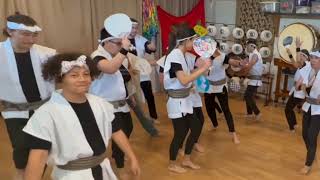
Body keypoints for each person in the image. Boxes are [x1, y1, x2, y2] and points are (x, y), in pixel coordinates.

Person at [23, 53, 140, 180]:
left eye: (86, 74)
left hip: (102, 169)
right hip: (71, 175)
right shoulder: (46, 113)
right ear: (60, 78)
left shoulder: (100, 104)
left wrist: (132, 157)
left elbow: (116, 131)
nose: (82, 79)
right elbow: (38, 157)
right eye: (74, 75)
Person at [0, 13, 56, 180]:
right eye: (25, 34)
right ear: (10, 32)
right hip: (14, 112)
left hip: (44, 109)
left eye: (34, 35)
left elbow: (61, 78)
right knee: (21, 149)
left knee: (43, 148)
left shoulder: (48, 54)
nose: (31, 40)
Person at [163, 23, 212, 173]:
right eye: (193, 40)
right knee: (180, 133)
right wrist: (203, 69)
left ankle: (186, 159)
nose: (194, 44)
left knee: (196, 127)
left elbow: (187, 79)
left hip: (185, 100)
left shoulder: (182, 55)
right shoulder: (174, 56)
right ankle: (172, 163)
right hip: (176, 101)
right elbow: (184, 80)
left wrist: (202, 68)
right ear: (185, 41)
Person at [89, 26, 136, 178]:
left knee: (127, 129)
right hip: (104, 108)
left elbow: (122, 78)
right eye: (118, 43)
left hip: (121, 105)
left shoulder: (115, 55)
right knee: (111, 138)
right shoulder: (97, 56)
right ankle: (120, 168)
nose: (120, 46)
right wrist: (124, 51)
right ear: (106, 42)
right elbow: (109, 68)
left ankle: (117, 157)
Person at [204, 44, 241, 144]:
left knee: (226, 109)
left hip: (221, 86)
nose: (215, 50)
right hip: (209, 87)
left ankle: (233, 134)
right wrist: (211, 58)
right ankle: (215, 124)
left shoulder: (222, 56)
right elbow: (205, 71)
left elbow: (231, 61)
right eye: (212, 48)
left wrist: (238, 63)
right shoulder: (205, 56)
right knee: (209, 107)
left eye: (216, 48)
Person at [128, 18, 158, 122]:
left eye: (136, 28)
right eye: (132, 28)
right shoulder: (121, 39)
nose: (134, 30)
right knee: (130, 98)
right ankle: (135, 117)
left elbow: (150, 47)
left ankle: (153, 117)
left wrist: (152, 46)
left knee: (149, 95)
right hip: (127, 74)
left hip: (142, 72)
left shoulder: (141, 39)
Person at [295, 50, 320, 175]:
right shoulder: (308, 69)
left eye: (316, 58)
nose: (313, 60)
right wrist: (299, 84)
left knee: (311, 135)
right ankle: (312, 153)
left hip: (319, 110)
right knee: (305, 134)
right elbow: (299, 83)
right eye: (312, 57)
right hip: (308, 106)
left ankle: (308, 163)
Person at [285, 37, 310, 132]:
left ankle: (292, 128)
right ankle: (294, 125)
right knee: (290, 108)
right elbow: (295, 63)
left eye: (303, 55)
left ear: (307, 58)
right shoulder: (303, 65)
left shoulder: (306, 64)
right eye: (301, 55)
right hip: (297, 89)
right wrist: (288, 51)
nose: (301, 57)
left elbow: (297, 60)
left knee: (288, 109)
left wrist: (298, 47)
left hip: (299, 90)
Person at [242, 39, 263, 120]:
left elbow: (250, 65)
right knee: (248, 96)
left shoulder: (255, 55)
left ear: (252, 46)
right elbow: (247, 64)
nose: (246, 47)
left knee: (248, 96)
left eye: (247, 46)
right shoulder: (251, 54)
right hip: (252, 79)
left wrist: (243, 74)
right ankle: (249, 113)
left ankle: (257, 113)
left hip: (255, 80)